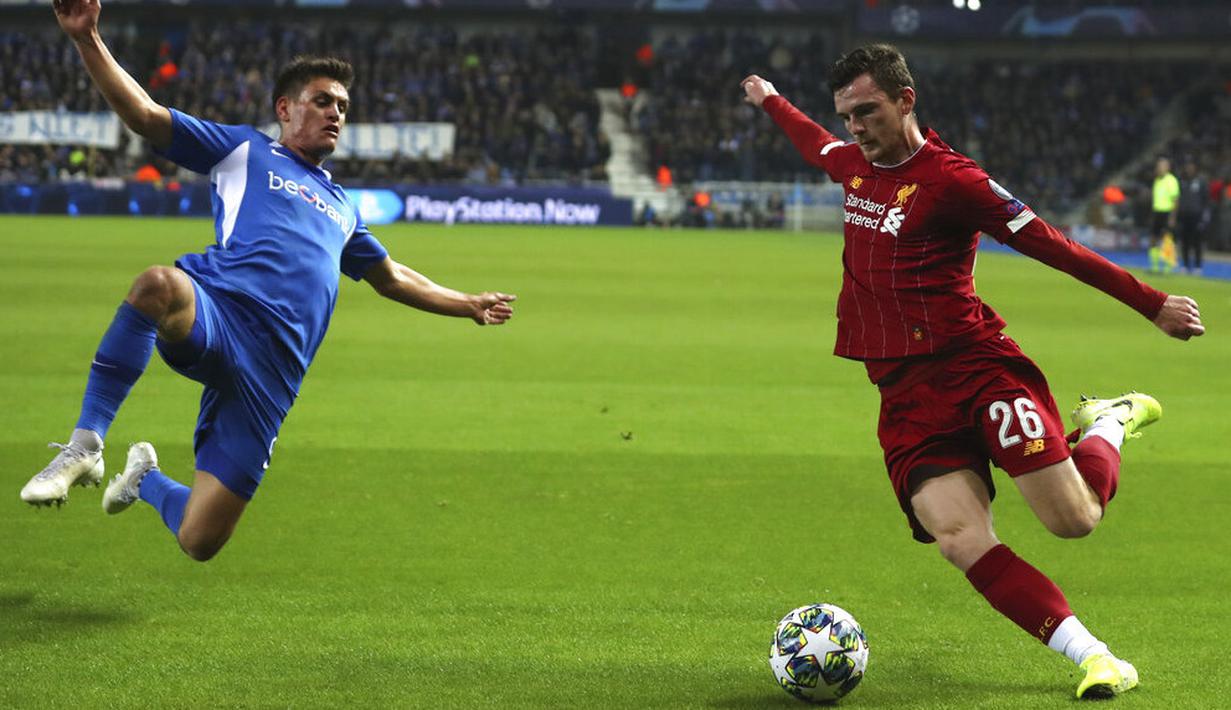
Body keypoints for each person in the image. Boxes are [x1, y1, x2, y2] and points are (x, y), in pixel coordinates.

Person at [741, 44, 1204, 699]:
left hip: (976, 373)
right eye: (847, 115)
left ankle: (1107, 423)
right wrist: (768, 100)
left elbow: (1051, 244)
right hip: (904, 396)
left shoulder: (953, 181)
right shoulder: (849, 164)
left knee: (1072, 521)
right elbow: (809, 140)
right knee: (958, 537)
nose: (855, 127)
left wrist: (1151, 304)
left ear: (905, 100)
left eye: (867, 111)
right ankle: (1097, 658)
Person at [21, 0, 516, 563]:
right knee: (158, 284)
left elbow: (392, 277)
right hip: (220, 317)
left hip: (273, 375)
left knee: (200, 539)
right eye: (323, 100)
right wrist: (88, 39)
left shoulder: (342, 207)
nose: (336, 113)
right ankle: (84, 444)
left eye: (344, 106)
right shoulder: (243, 149)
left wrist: (467, 303)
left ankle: (145, 479)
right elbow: (146, 116)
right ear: (285, 108)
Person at [1175, 160, 1209, 275]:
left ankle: (1198, 266)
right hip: (1184, 216)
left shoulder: (1201, 182)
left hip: (1196, 217)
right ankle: (1185, 265)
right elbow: (1177, 199)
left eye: (1191, 167)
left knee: (1197, 242)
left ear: (1195, 168)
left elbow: (1205, 200)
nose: (1189, 169)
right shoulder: (1181, 181)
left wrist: (1204, 217)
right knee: (1185, 242)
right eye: (1187, 167)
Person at [1149, 157, 1179, 273]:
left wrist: (1172, 217)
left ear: (1168, 167)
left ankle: (1167, 266)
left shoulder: (1171, 180)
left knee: (1167, 240)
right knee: (1153, 239)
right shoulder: (1157, 180)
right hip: (1157, 212)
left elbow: (1175, 200)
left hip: (1167, 213)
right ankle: (1154, 266)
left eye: (1162, 165)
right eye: (1159, 166)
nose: (1160, 168)